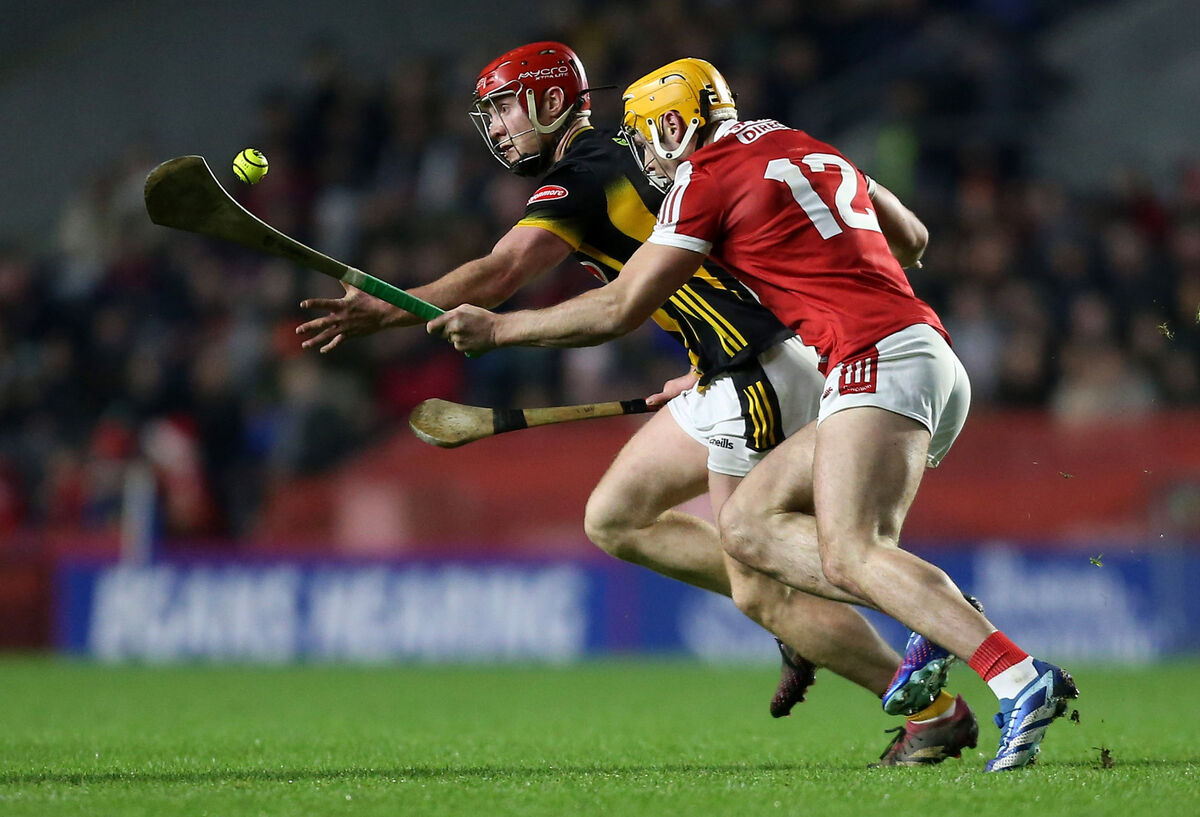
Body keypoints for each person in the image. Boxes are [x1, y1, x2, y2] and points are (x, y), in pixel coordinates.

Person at [299, 42, 977, 765]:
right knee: (616, 515)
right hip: (749, 360)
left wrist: (384, 309)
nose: (495, 128)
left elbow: (500, 273)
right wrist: (706, 353)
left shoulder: (585, 173)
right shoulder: (658, 147)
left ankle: (930, 690)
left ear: (551, 101)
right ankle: (864, 622)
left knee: (765, 587)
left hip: (765, 365)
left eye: (502, 108)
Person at [427, 57, 1078, 772]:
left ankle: (1015, 674)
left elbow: (620, 306)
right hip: (919, 352)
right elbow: (915, 238)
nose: (646, 157)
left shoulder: (704, 179)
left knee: (854, 553)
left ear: (676, 124)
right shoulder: (799, 141)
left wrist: (498, 329)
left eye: (647, 138)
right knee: (746, 527)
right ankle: (932, 612)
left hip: (872, 361)